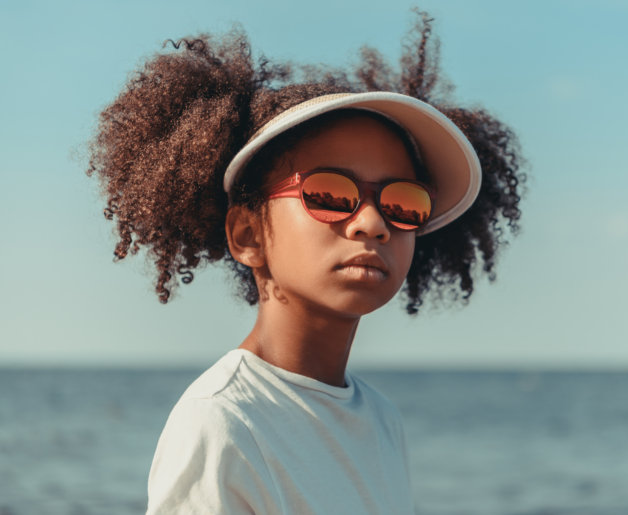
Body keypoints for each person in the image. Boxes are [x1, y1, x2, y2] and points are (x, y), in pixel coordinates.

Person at [86, 12, 524, 515]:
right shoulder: (223, 422)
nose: (372, 223)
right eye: (330, 193)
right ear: (248, 235)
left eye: (402, 203)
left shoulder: (381, 420)